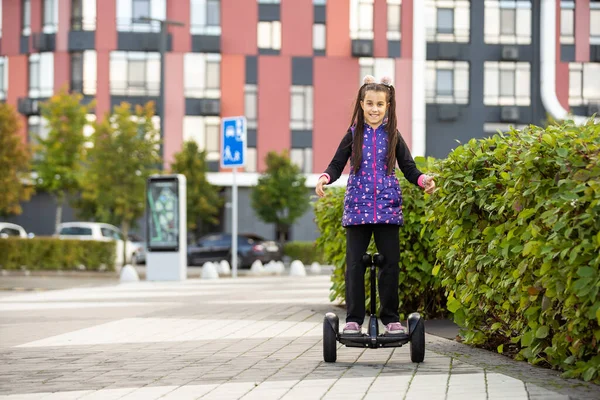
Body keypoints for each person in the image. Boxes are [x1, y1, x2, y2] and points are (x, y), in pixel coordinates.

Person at [315, 75, 436, 335]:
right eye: (369, 103)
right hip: (357, 208)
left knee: (390, 265)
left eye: (380, 104)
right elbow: (337, 164)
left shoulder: (393, 136)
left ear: (387, 107)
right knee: (355, 266)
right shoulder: (352, 135)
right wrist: (325, 177)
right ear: (361, 104)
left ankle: (391, 318)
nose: (374, 109)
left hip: (387, 208)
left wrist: (423, 179)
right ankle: (354, 319)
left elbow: (409, 167)